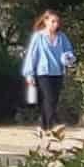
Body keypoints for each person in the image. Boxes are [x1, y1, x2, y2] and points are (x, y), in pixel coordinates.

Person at [22, 9, 77, 142]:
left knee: (51, 101)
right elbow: (32, 55)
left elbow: (69, 52)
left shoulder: (62, 37)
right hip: (43, 73)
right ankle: (51, 126)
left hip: (58, 73)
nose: (55, 24)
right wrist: (29, 74)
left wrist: (69, 58)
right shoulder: (38, 37)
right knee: (49, 99)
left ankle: (43, 127)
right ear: (46, 21)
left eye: (57, 22)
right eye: (53, 21)